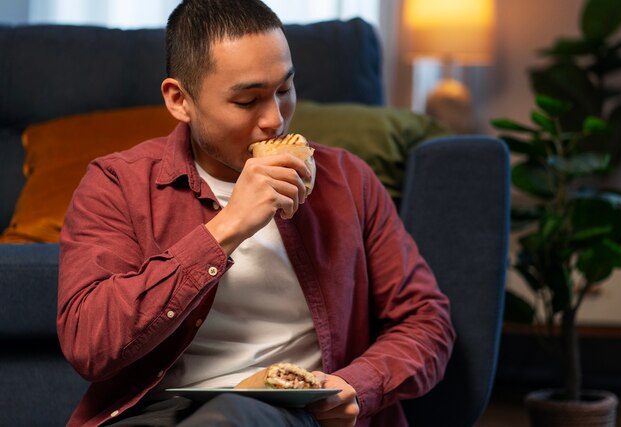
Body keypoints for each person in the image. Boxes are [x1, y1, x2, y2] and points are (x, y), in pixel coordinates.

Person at [56, 0, 455, 426]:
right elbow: (89, 346)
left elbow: (427, 321)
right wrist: (226, 228)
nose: (275, 120)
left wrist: (357, 384)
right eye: (248, 101)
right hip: (157, 411)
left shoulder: (348, 180)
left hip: (291, 410)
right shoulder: (117, 184)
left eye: (284, 90)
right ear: (179, 100)